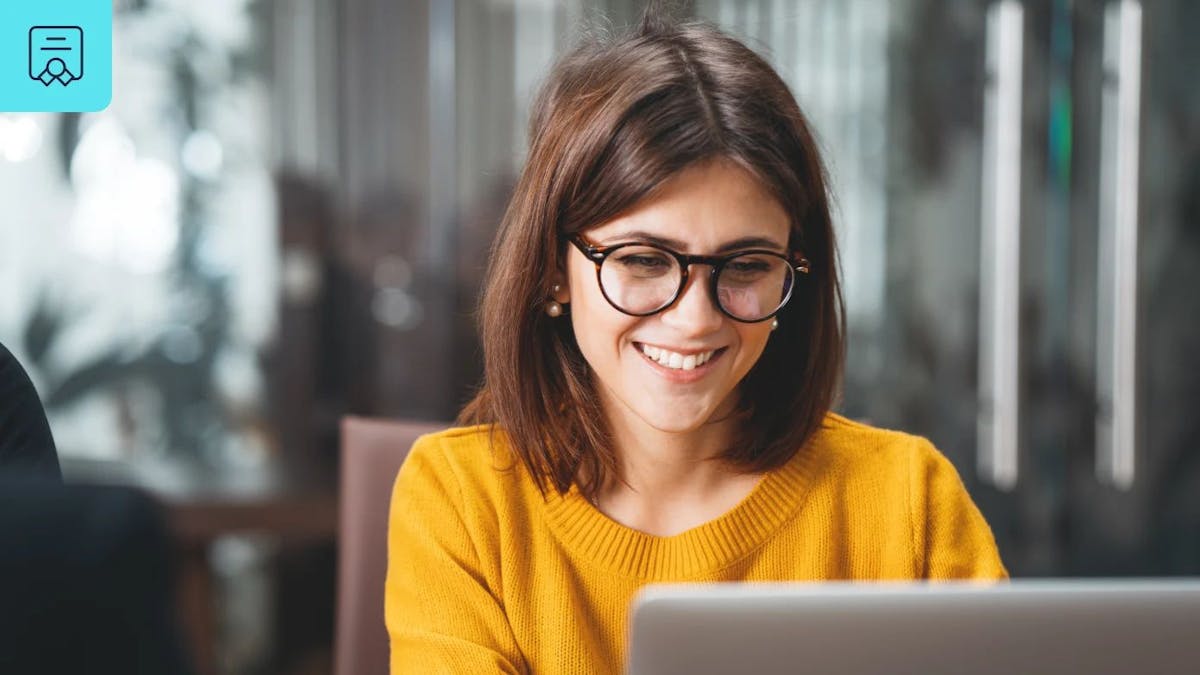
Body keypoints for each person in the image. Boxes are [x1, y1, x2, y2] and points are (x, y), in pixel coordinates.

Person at [385, 7, 1007, 674]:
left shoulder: (908, 502)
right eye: (644, 261)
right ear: (551, 273)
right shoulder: (463, 500)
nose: (694, 320)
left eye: (745, 266)